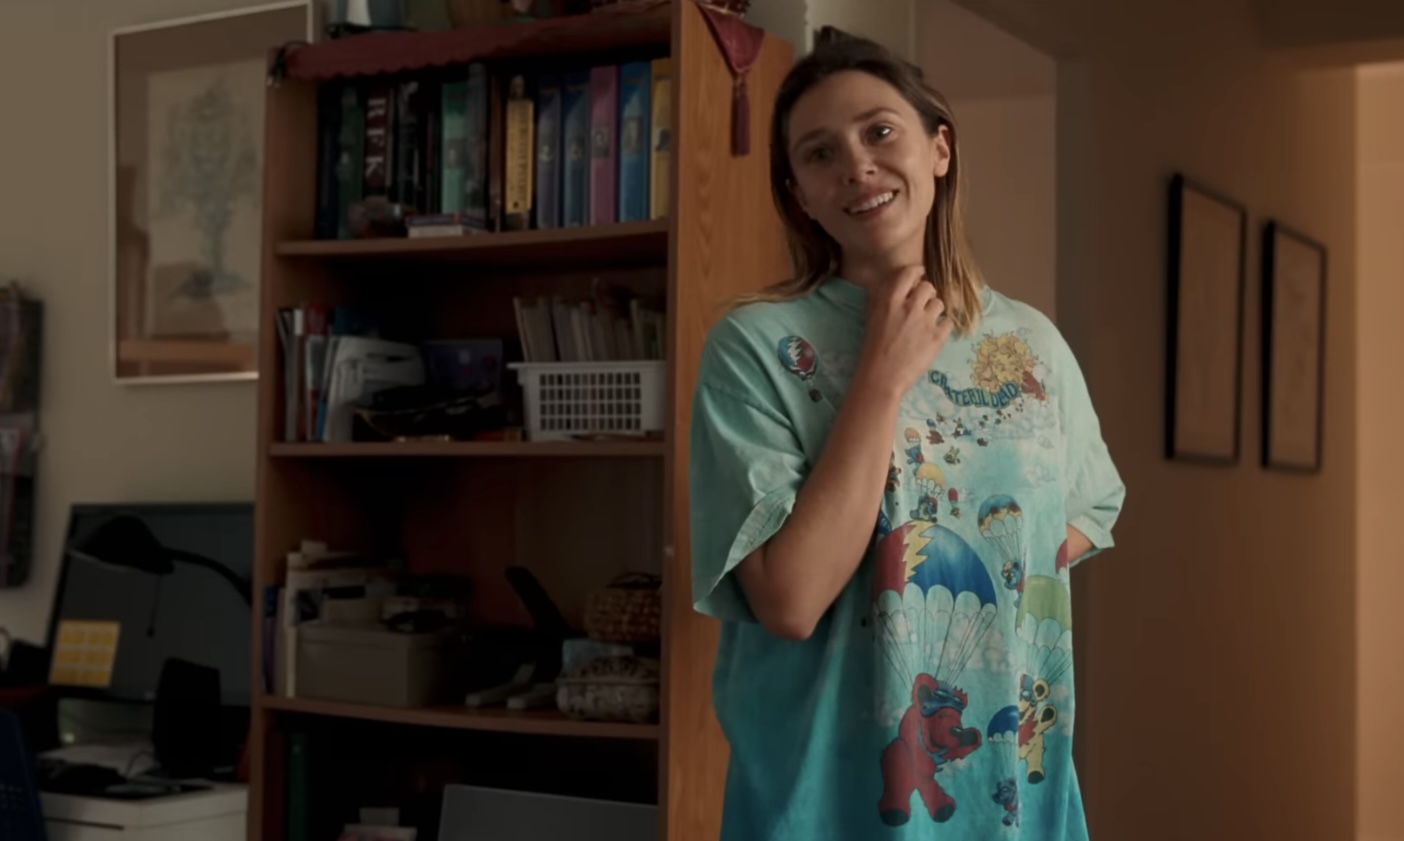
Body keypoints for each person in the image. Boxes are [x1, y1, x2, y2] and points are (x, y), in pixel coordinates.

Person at [688, 34, 1126, 841]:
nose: (857, 165)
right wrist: (880, 379)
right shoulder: (755, 349)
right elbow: (790, 600)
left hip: (1009, 808)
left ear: (940, 149)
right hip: (823, 809)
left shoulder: (1031, 347)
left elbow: (1068, 528)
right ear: (799, 195)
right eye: (821, 153)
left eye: (880, 131)